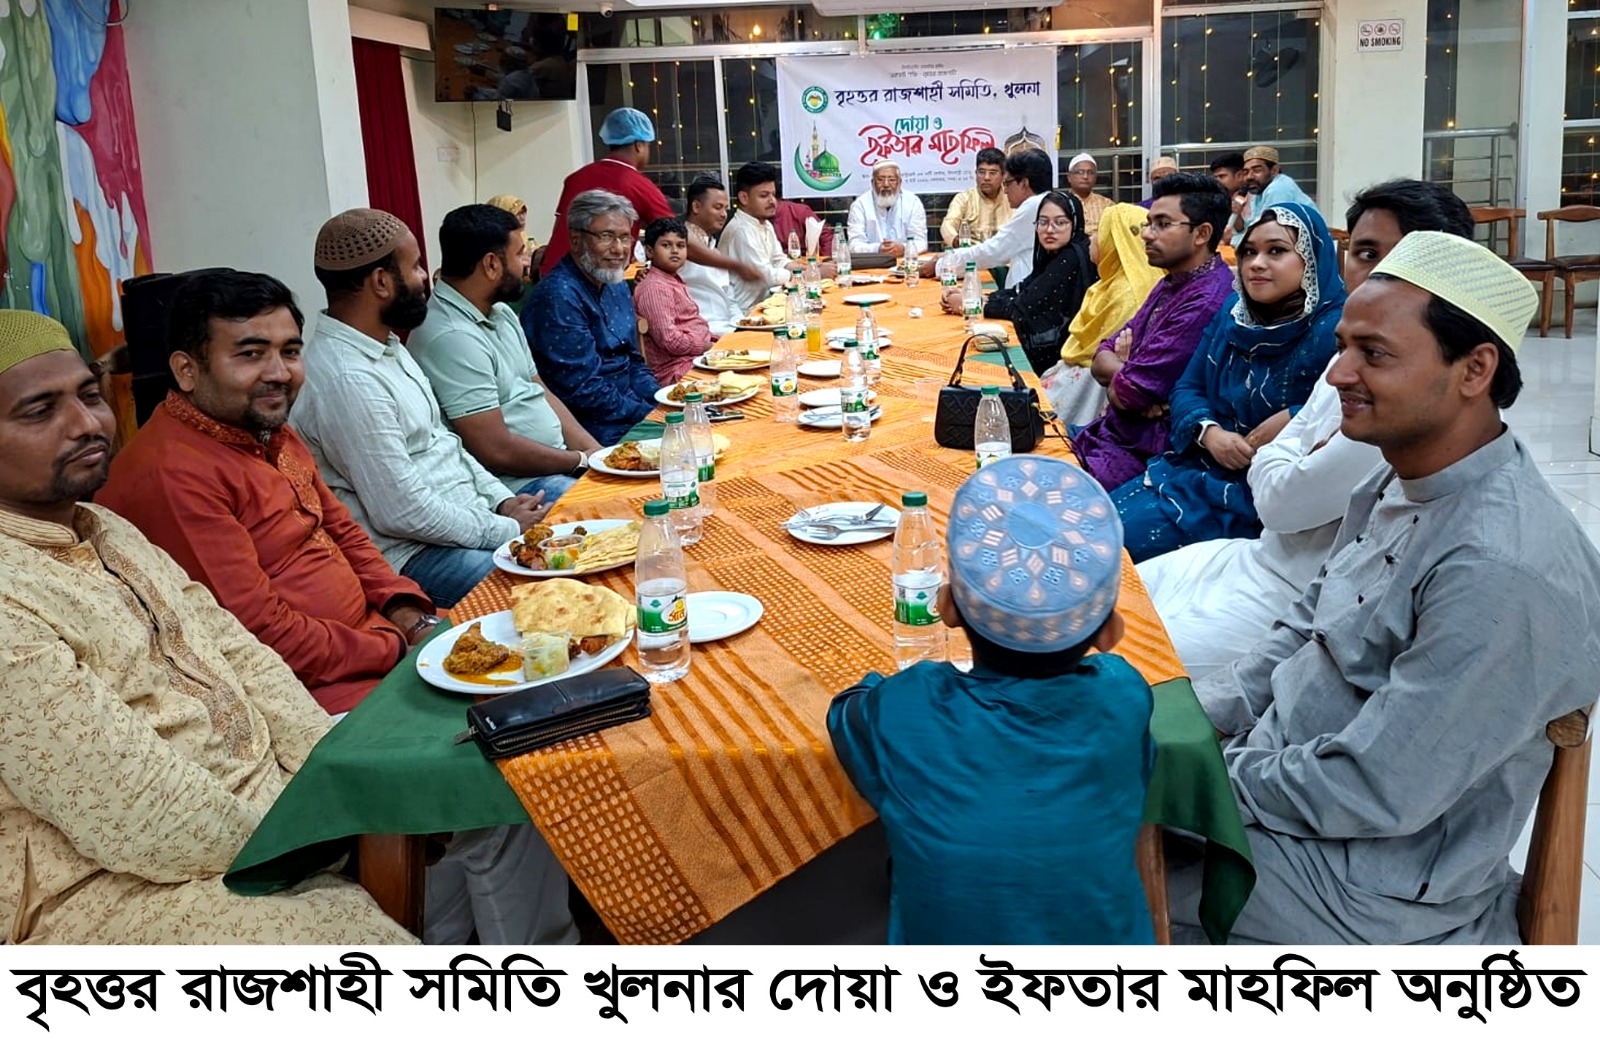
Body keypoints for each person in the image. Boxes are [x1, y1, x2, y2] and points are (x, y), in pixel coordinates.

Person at [1169, 231, 1600, 945]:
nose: (1339, 374)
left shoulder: (1502, 567)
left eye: (1374, 354)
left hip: (1364, 884)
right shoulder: (1399, 477)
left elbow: (1377, 787)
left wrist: (1205, 778)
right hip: (1284, 795)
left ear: (1475, 369)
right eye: (1343, 347)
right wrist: (1187, 727)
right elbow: (1302, 627)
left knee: (1060, 862)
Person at [0, 309, 413, 944]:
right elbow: (131, 809)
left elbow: (240, 653)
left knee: (464, 779)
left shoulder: (105, 528)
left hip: (268, 809)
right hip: (105, 882)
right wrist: (308, 837)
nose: (87, 424)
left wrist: (330, 781)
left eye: (89, 395)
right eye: (39, 411)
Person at [1139, 180, 1474, 679]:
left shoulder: (1410, 390)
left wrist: (1278, 450)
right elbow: (1189, 391)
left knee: (1126, 660)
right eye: (1363, 253)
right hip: (1252, 547)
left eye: (1277, 251)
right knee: (1108, 593)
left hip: (1296, 592)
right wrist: (1246, 438)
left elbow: (1280, 502)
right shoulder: (1345, 349)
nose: (1376, 275)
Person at [828, 456, 1154, 945]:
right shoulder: (1124, 695)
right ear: (1110, 632)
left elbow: (847, 711)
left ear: (946, 607)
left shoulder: (906, 706)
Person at [98, 271, 439, 716]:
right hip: (308, 691)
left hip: (374, 642)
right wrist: (391, 648)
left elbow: (343, 532)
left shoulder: (262, 427)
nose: (279, 373)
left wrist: (408, 614)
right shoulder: (173, 474)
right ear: (187, 370)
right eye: (251, 354)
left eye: (290, 352)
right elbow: (258, 634)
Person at [291, 208, 547, 609]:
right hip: (416, 554)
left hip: (473, 520)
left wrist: (502, 502)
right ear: (381, 282)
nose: (425, 277)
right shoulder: (348, 378)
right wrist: (506, 528)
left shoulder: (387, 345)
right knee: (550, 590)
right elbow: (402, 511)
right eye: (414, 267)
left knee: (582, 522)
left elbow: (447, 443)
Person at [1111, 201, 1345, 563]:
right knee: (1096, 525)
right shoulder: (1234, 314)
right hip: (1197, 467)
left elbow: (1343, 410)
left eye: (1277, 251)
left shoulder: (1336, 331)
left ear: (1312, 260)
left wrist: (1295, 416)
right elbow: (1187, 387)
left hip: (1264, 498)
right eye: (1249, 252)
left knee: (1112, 549)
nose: (1256, 263)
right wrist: (1209, 433)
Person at [409, 204, 598, 505]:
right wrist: (579, 460)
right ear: (491, 264)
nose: (526, 264)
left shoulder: (500, 311)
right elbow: (496, 450)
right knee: (611, 511)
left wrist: (596, 454)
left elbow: (539, 390)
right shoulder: (452, 336)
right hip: (518, 485)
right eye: (519, 254)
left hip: (559, 462)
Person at [1070, 174, 1235, 492]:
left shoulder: (1206, 300)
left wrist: (1123, 377)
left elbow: (1127, 395)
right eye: (1148, 223)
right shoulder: (1171, 281)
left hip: (1146, 453)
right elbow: (1101, 357)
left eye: (1162, 224)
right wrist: (1124, 371)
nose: (1146, 234)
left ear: (1202, 234)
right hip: (1112, 433)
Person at [539, 108, 757, 289]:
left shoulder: (576, 177)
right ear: (639, 145)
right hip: (588, 284)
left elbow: (560, 231)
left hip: (552, 277)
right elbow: (680, 239)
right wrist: (735, 265)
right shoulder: (636, 184)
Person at [525, 190, 659, 445]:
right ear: (576, 240)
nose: (619, 249)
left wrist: (662, 401)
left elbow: (633, 361)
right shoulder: (559, 296)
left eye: (624, 238)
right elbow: (583, 390)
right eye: (606, 236)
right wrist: (650, 415)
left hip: (631, 409)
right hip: (592, 429)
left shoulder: (615, 282)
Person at [1039, 202, 1163, 427]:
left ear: (1116, 241)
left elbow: (1100, 355)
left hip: (1095, 387)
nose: (1092, 239)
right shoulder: (1108, 283)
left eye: (1099, 232)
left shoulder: (1128, 294)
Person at [942, 191, 1094, 375]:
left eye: (1060, 223)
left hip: (1062, 361)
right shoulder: (1052, 255)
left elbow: (1023, 308)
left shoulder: (1070, 258)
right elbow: (1022, 290)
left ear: (1075, 224)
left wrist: (972, 304)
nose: (1049, 229)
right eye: (1043, 222)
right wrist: (979, 298)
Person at [920, 148, 1053, 290]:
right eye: (981, 172)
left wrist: (943, 264)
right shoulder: (1049, 202)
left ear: (1024, 183)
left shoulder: (1034, 207)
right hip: (990, 271)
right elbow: (948, 226)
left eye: (1007, 183)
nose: (1005, 190)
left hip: (1019, 289)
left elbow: (994, 250)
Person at [719, 161, 835, 314]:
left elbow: (779, 260)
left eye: (773, 195)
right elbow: (765, 275)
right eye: (764, 196)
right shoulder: (741, 230)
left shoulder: (764, 223)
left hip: (767, 304)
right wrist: (812, 274)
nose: (772, 201)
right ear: (744, 198)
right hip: (745, 312)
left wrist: (811, 269)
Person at [634, 217, 714, 385]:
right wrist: (706, 346)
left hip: (694, 357)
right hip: (675, 370)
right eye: (666, 245)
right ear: (649, 251)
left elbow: (690, 323)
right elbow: (670, 340)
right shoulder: (654, 288)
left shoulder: (671, 279)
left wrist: (717, 341)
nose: (675, 251)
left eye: (680, 245)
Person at [678, 173, 745, 335]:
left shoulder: (714, 249)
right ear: (696, 207)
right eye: (717, 207)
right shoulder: (678, 246)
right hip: (699, 333)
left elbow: (730, 300)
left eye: (725, 209)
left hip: (727, 329)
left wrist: (743, 326)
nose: (724, 214)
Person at [1229, 145, 1317, 248]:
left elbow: (1266, 233)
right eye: (1246, 172)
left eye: (1257, 170)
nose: (1249, 177)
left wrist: (1234, 240)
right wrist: (1237, 215)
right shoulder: (1260, 190)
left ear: (1274, 170)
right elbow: (1251, 227)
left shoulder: (1279, 188)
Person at [846, 160, 927, 257]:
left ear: (899, 182)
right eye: (880, 179)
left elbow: (921, 242)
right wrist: (878, 248)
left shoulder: (913, 202)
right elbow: (854, 245)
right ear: (872, 182)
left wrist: (903, 248)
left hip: (904, 260)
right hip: (872, 262)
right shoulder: (860, 204)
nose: (886, 184)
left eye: (892, 180)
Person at [940, 147, 1012, 246]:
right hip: (973, 253)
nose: (986, 178)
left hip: (1007, 253)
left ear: (1003, 175)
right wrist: (957, 241)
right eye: (982, 172)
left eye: (992, 173)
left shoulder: (1012, 197)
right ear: (976, 173)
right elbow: (947, 225)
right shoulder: (964, 198)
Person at [486, 192, 545, 274]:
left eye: (523, 213)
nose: (522, 218)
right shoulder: (490, 243)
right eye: (517, 213)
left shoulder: (525, 238)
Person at [1066, 152, 1115, 243]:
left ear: (1096, 177)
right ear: (1069, 177)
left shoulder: (1107, 205)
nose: (1085, 177)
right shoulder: (1060, 203)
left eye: (1090, 173)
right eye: (1080, 172)